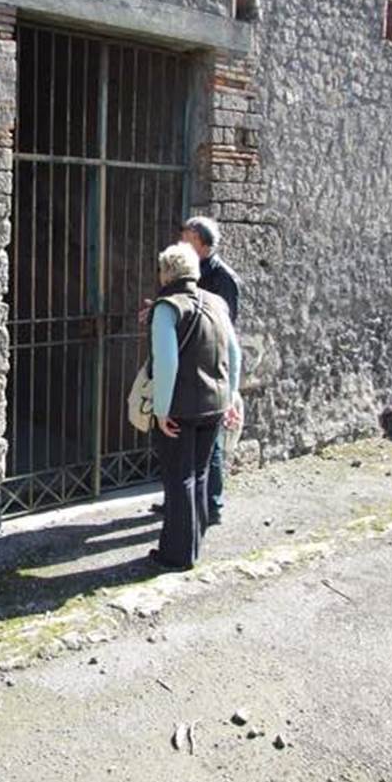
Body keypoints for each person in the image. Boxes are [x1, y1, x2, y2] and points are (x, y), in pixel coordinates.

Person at [148, 243, 241, 571]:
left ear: (166, 272)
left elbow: (167, 363)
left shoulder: (167, 307)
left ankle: (177, 554)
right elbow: (234, 352)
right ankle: (194, 544)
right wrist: (230, 397)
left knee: (178, 479)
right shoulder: (215, 302)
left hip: (180, 408)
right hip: (214, 404)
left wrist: (161, 410)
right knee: (200, 474)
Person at [179, 216, 242, 522]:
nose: (182, 243)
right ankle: (184, 502)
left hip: (210, 371)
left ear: (203, 244)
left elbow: (225, 332)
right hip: (188, 367)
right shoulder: (189, 273)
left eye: (188, 238)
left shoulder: (222, 278)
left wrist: (230, 387)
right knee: (187, 446)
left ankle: (213, 505)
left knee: (210, 446)